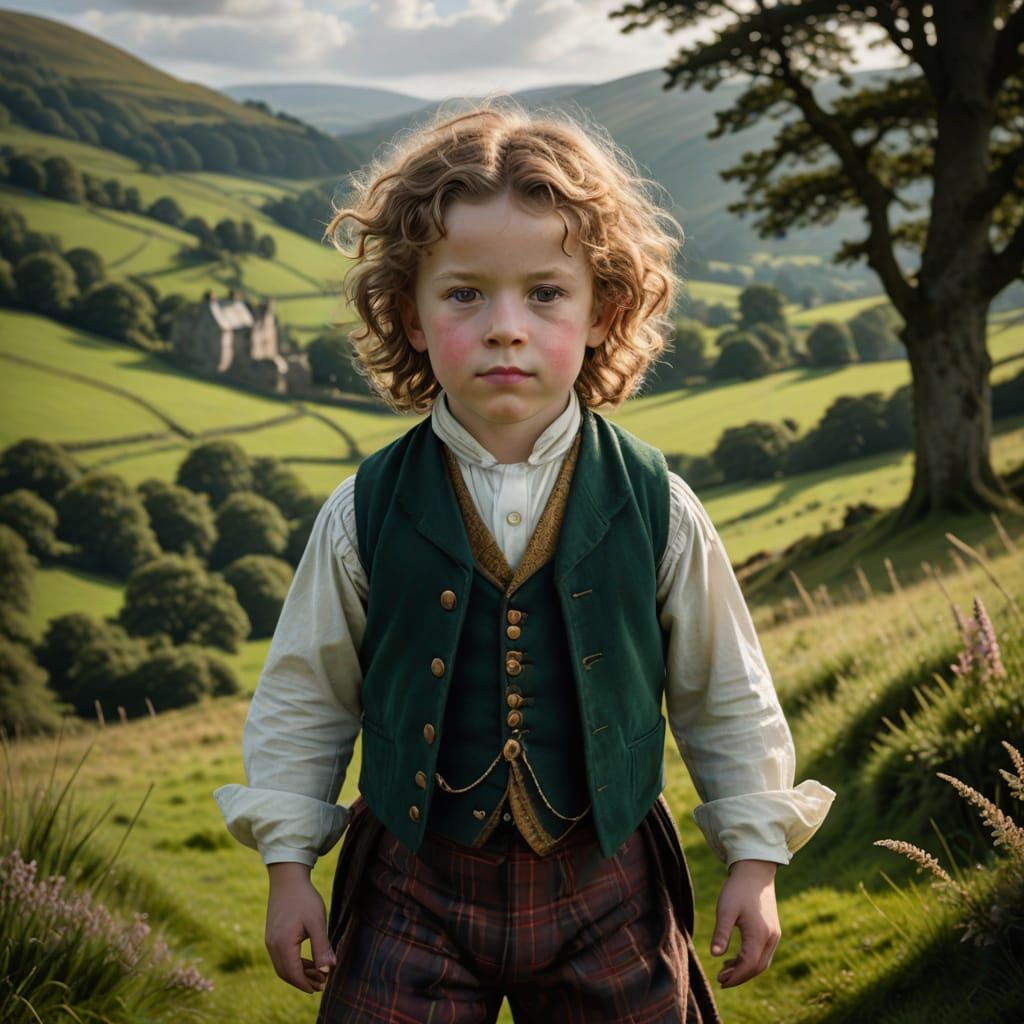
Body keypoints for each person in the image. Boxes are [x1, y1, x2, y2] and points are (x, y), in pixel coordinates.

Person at [214, 102, 835, 1023]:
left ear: (602, 312)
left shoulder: (658, 504)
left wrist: (755, 858)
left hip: (608, 880)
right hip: (410, 884)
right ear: (412, 317)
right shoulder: (364, 509)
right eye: (465, 293)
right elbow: (307, 693)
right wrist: (286, 864)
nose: (506, 326)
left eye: (545, 293)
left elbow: (725, 691)